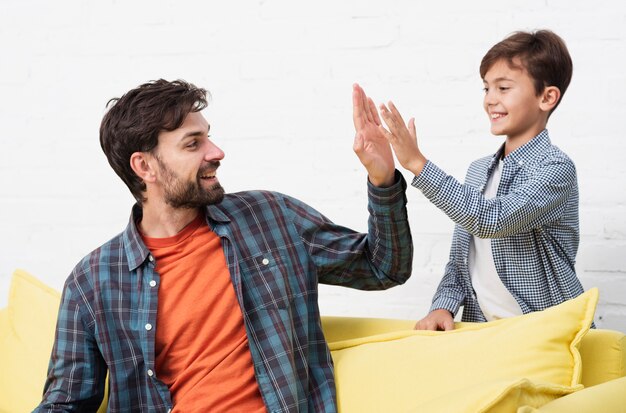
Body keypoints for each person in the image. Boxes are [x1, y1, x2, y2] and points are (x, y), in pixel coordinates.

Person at [35, 79, 412, 412]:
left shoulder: (270, 217)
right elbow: (66, 402)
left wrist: (382, 181)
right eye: (193, 143)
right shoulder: (93, 281)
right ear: (145, 167)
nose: (216, 151)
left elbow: (384, 267)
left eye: (208, 136)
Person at [354, 29, 586, 331]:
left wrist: (416, 163)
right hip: (486, 334)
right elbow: (461, 261)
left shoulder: (555, 168)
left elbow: (493, 220)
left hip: (546, 332)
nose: (490, 100)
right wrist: (443, 305)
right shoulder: (479, 171)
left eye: (503, 88)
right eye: (486, 89)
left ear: (547, 97)